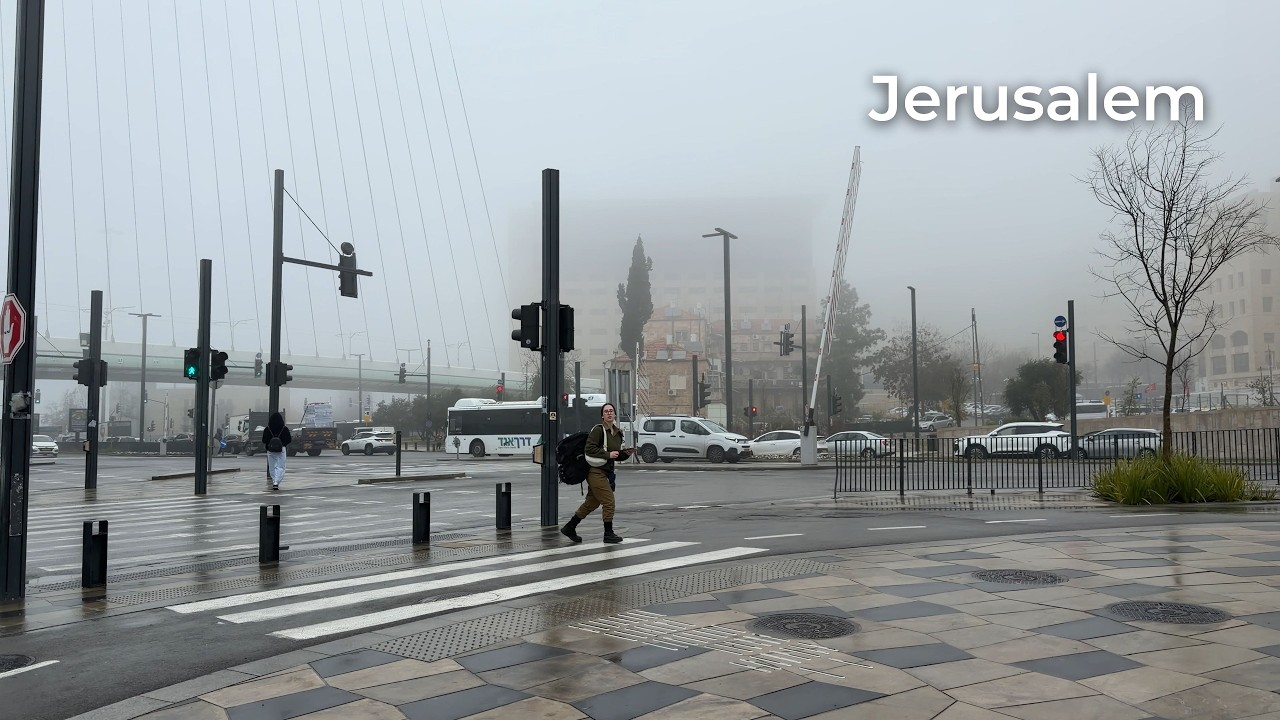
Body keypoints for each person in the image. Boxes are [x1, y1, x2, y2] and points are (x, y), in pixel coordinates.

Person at [561, 403, 630, 544]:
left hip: (606, 472)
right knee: (609, 501)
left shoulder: (617, 433)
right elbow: (589, 449)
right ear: (602, 416)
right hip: (595, 471)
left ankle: (570, 527)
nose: (609, 413)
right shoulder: (598, 430)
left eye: (611, 411)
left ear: (615, 414)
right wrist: (608, 454)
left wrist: (626, 454)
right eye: (606, 411)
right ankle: (608, 534)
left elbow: (616, 454)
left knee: (591, 503)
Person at [261, 412, 292, 491]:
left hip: (270, 450)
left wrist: (269, 444)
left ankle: (274, 480)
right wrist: (283, 444)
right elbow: (289, 439)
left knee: (272, 466)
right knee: (280, 466)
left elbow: (264, 440)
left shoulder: (267, 429)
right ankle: (277, 482)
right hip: (281, 449)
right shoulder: (284, 429)